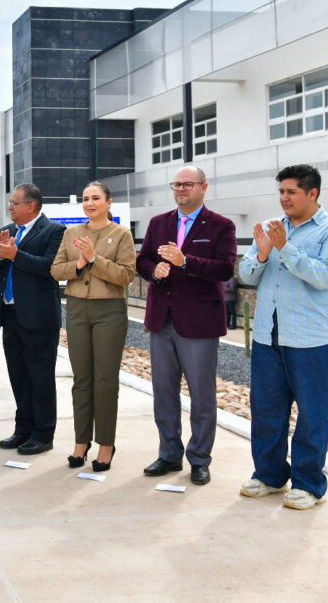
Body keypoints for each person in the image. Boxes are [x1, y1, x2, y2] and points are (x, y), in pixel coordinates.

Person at [238, 164, 328, 510]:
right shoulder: (274, 229)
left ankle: (309, 485)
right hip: (269, 336)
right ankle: (270, 476)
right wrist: (261, 253)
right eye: (281, 192)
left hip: (314, 339)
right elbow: (246, 274)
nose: (284, 198)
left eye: (291, 192)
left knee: (312, 415)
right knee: (267, 410)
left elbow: (324, 276)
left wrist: (284, 250)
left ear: (312, 193)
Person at [136, 166, 236, 486]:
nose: (180, 189)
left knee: (201, 396)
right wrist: (155, 271)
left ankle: (199, 459)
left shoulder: (221, 225)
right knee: (164, 393)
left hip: (199, 324)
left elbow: (224, 269)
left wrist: (185, 262)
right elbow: (143, 261)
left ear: (203, 187)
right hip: (161, 320)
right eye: (176, 184)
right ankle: (168, 454)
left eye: (187, 184)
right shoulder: (158, 222)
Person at [49, 182, 135, 472]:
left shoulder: (121, 234)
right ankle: (81, 441)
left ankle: (106, 444)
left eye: (95, 198)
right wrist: (80, 264)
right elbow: (56, 269)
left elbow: (125, 275)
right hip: (76, 308)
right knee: (81, 379)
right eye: (85, 199)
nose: (89, 203)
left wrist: (94, 260)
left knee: (105, 380)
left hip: (109, 310)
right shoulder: (71, 233)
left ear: (109, 202)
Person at [0, 183, 65, 456]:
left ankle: (43, 434)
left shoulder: (54, 231)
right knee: (18, 375)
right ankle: (23, 429)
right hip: (11, 316)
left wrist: (16, 255)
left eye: (14, 203)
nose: (10, 207)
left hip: (39, 318)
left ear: (31, 206)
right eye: (10, 203)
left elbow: (50, 268)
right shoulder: (9, 231)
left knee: (40, 377)